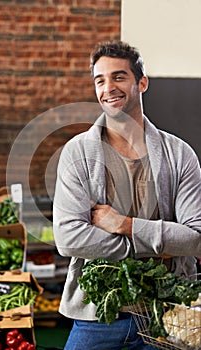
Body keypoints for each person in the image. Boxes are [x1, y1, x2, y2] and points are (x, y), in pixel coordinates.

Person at [53, 40, 201, 350]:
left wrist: (125, 225)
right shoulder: (77, 153)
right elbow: (68, 238)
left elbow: (195, 238)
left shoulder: (180, 155)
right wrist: (158, 248)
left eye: (119, 77)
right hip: (99, 317)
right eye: (100, 80)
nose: (109, 87)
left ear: (141, 82)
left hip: (170, 314)